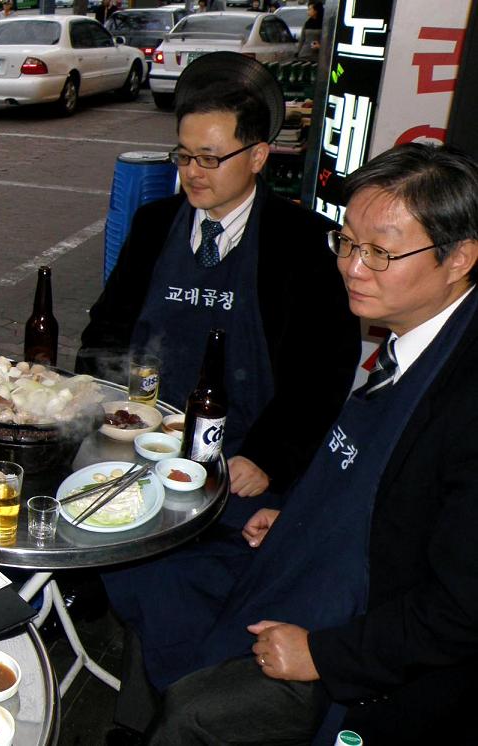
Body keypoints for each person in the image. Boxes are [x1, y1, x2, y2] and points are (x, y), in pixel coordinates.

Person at [116, 142, 478, 745]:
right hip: (312, 556)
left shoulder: (464, 394)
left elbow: (461, 610)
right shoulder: (412, 336)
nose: (353, 268)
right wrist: (299, 516)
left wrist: (323, 655)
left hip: (375, 641)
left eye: (381, 252)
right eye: (348, 243)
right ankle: (134, 725)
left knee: (197, 710)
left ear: (460, 256)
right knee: (150, 569)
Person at [77, 78, 358, 529]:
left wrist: (270, 457)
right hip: (138, 442)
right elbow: (107, 328)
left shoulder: (304, 242)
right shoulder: (154, 224)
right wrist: (104, 410)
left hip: (241, 461)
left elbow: (325, 369)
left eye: (210, 158)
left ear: (257, 156)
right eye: (184, 156)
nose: (193, 172)